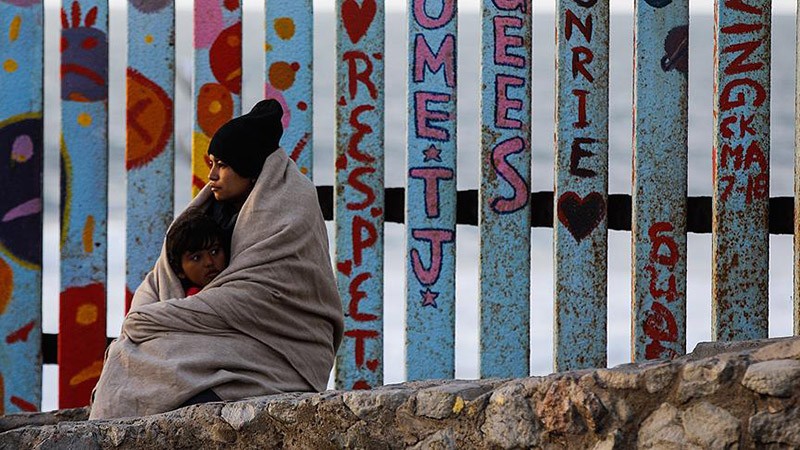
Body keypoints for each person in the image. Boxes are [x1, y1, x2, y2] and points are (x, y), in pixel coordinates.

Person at [90, 99, 344, 419]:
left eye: (222, 165)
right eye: (212, 163)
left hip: (280, 353)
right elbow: (160, 276)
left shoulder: (289, 208)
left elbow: (253, 297)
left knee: (150, 358)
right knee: (128, 354)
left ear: (249, 166)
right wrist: (146, 318)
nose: (211, 176)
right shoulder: (215, 210)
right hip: (223, 336)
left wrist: (150, 320)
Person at [165, 208, 229, 296]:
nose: (209, 262)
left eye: (214, 252)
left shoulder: (243, 288)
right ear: (180, 271)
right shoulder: (191, 302)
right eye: (196, 258)